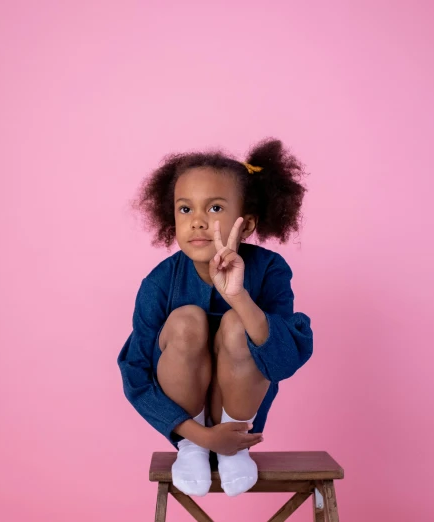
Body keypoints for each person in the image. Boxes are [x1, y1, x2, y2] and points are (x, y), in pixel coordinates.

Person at [117, 138, 313, 497]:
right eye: (185, 209)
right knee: (186, 321)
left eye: (216, 208)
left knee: (239, 324)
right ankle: (194, 450)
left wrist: (238, 297)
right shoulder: (159, 282)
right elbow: (136, 375)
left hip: (239, 408)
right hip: (186, 424)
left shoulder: (270, 270)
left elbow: (283, 361)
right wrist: (200, 437)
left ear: (248, 223)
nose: (198, 222)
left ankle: (234, 442)